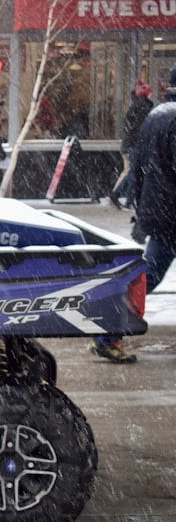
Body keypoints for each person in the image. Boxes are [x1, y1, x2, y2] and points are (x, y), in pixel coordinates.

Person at [89, 64, 176, 364]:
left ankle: (107, 331)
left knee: (146, 276)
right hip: (171, 213)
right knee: (148, 276)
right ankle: (107, 333)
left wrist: (140, 206)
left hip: (160, 211)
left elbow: (138, 167)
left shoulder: (157, 115)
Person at [111, 80, 154, 210]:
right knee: (133, 172)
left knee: (131, 171)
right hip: (134, 144)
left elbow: (130, 126)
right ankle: (119, 195)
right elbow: (140, 127)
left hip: (128, 143)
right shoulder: (144, 107)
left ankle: (128, 200)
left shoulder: (135, 106)